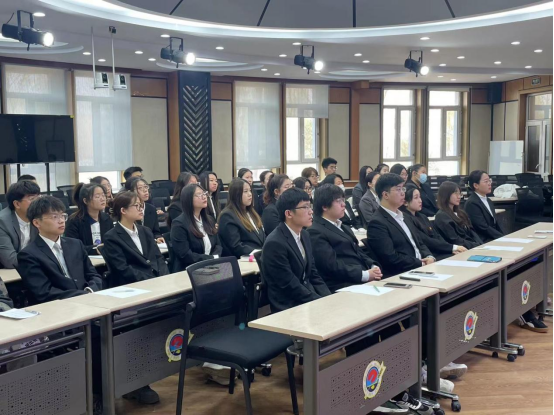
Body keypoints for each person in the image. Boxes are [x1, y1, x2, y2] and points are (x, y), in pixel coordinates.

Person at [16, 196, 103, 303]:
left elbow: (94, 275)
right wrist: (82, 295)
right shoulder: (28, 255)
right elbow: (44, 292)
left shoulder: (76, 244)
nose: (61, 221)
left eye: (62, 216)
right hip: (58, 307)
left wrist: (90, 290)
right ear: (37, 223)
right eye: (54, 217)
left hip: (89, 300)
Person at [261, 187, 331, 313]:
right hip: (289, 306)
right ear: (289, 214)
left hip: (306, 297)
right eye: (305, 207)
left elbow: (313, 274)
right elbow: (289, 285)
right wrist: (319, 302)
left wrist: (328, 298)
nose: (311, 211)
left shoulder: (305, 234)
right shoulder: (275, 243)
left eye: (310, 206)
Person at [307, 184, 382, 292]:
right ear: (325, 206)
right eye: (338, 201)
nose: (344, 205)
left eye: (343, 200)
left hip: (362, 279)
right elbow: (331, 266)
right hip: (342, 285)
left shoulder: (343, 226)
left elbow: (358, 252)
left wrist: (372, 266)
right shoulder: (315, 231)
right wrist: (364, 275)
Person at [366, 174, 435, 277]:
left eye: (403, 188)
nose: (403, 193)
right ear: (385, 195)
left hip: (422, 268)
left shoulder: (405, 216)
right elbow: (391, 258)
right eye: (398, 189)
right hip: (403, 274)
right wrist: (420, 263)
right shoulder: (377, 223)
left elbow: (419, 243)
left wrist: (429, 256)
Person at [102, 192, 169, 287]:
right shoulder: (111, 237)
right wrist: (152, 280)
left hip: (156, 280)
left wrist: (164, 277)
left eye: (141, 205)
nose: (141, 209)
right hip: (134, 285)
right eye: (136, 205)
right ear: (123, 210)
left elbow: (158, 258)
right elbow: (123, 269)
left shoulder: (146, 231)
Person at [401, 187, 467, 261]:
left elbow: (437, 235)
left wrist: (449, 248)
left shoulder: (423, 216)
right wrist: (452, 248)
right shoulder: (405, 219)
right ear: (405, 202)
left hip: (439, 250)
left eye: (420, 197)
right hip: (428, 254)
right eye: (416, 198)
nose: (420, 201)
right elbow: (426, 240)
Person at [170, 184, 222, 272]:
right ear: (188, 199)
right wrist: (210, 259)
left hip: (212, 267)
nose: (204, 197)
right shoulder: (179, 224)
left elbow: (218, 245)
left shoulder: (209, 220)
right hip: (190, 270)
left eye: (204, 193)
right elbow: (185, 255)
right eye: (199, 194)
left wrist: (215, 257)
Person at [218, 179, 265, 258]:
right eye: (245, 191)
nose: (250, 194)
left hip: (260, 256)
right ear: (236, 195)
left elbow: (262, 237)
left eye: (250, 190)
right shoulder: (227, 215)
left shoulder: (251, 212)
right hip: (243, 259)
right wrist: (259, 253)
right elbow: (236, 246)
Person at [0, 180, 41, 269]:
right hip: (6, 272)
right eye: (32, 199)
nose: (38, 203)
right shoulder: (2, 222)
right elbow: (11, 261)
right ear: (17, 204)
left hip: (31, 267)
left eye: (39, 198)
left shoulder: (40, 218)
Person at [65, 183, 114, 255]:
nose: (102, 199)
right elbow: (72, 247)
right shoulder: (74, 221)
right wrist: (96, 250)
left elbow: (112, 242)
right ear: (85, 201)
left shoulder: (107, 218)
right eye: (97, 196)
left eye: (103, 195)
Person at [434, 182, 483, 249]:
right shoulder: (442, 216)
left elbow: (472, 232)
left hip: (473, 246)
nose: (459, 196)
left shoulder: (461, 213)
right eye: (456, 193)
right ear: (446, 195)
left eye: (460, 193)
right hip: (461, 250)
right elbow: (455, 240)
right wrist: (475, 246)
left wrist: (480, 244)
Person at [464, 170, 504, 243]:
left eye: (489, 180)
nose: (489, 184)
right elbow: (482, 227)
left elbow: (495, 224)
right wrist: (501, 238)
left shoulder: (488, 200)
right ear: (476, 185)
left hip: (492, 237)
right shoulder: (472, 203)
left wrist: (504, 236)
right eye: (486, 181)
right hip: (483, 240)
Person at [125, 177, 164, 242]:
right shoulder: (129, 209)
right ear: (132, 192)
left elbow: (156, 232)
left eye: (146, 187)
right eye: (140, 188)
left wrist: (158, 238)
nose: (145, 190)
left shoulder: (151, 208)